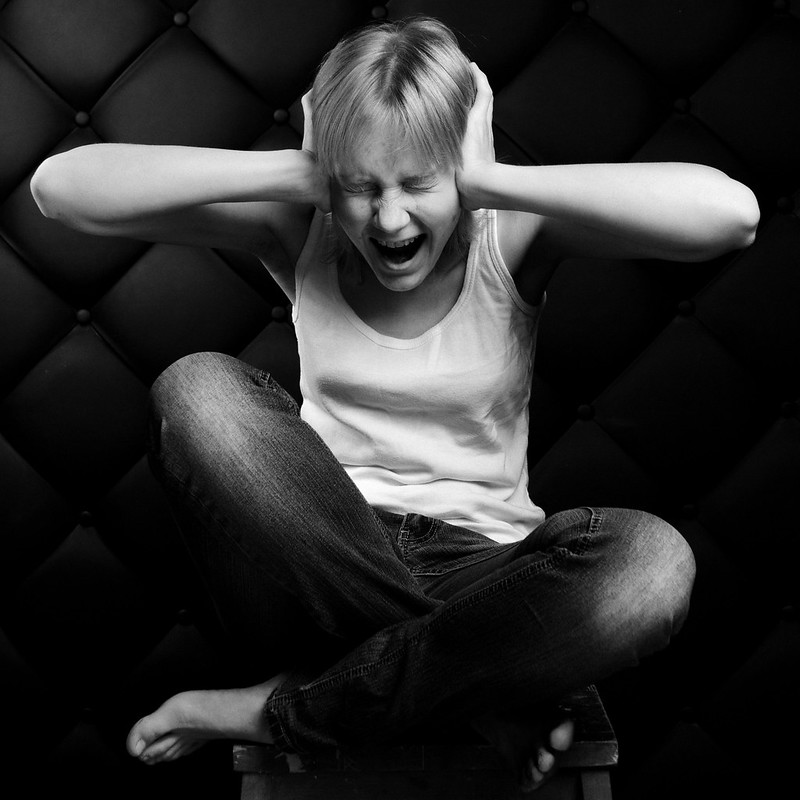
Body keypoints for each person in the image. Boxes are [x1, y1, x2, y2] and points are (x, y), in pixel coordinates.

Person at [30, 16, 758, 792]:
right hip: (313, 560)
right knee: (197, 390)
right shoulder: (302, 227)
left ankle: (289, 708)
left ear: (459, 169)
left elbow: (733, 217)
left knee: (652, 566)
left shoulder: (508, 234)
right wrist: (298, 174)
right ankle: (485, 697)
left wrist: (489, 182)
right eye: (361, 186)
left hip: (487, 577)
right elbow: (59, 192)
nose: (388, 219)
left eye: (418, 183)